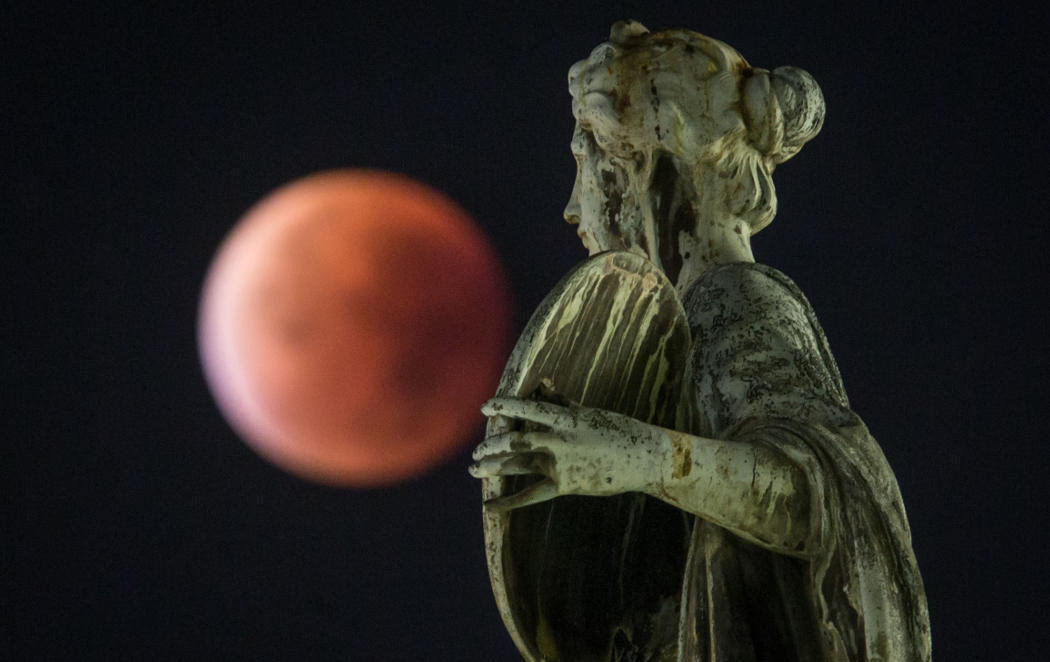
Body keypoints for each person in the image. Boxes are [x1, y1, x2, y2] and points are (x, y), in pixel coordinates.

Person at [470, 21, 930, 661]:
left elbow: (816, 487)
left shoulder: (733, 298)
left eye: (589, 164)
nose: (574, 208)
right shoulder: (691, 319)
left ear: (653, 175)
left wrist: (641, 459)